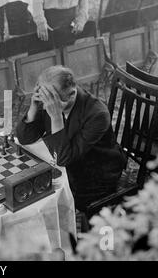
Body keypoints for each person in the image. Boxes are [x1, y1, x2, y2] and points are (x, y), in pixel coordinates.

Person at [15, 66, 127, 211]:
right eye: (43, 97)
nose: (47, 103)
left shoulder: (97, 114)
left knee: (41, 197)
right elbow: (24, 138)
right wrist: (34, 107)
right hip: (69, 163)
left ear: (72, 93)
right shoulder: (51, 99)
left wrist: (56, 117)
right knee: (26, 187)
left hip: (96, 175)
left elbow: (63, 159)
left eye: (51, 99)